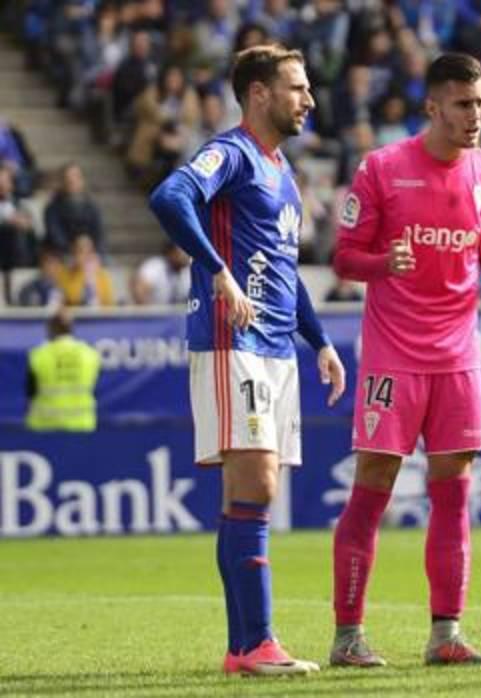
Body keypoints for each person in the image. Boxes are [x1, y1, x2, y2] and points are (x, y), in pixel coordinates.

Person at [328, 52, 481, 669]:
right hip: (392, 358)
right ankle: (348, 637)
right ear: (432, 107)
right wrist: (383, 264)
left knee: (454, 496)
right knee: (372, 490)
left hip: (457, 358)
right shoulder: (382, 168)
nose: (475, 115)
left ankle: (446, 635)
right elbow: (345, 258)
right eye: (462, 104)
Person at [148, 44, 345, 676]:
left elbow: (286, 272)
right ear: (258, 93)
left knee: (252, 494)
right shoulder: (230, 153)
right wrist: (218, 272)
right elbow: (170, 196)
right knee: (256, 485)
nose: (308, 99)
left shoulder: (281, 171)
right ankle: (256, 642)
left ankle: (244, 649)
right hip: (235, 341)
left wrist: (322, 343)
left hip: (278, 348)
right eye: (296, 87)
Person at [26, 309, 101, 432]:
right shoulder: (89, 354)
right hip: (81, 425)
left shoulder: (39, 355)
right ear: (71, 328)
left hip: (45, 426)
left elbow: (30, 391)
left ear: (51, 329)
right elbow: (95, 388)